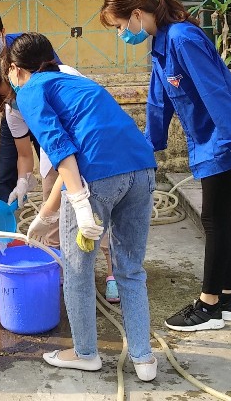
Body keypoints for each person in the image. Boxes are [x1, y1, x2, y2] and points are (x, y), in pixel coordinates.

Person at [100, 0, 231, 332]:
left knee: (213, 219)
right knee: (219, 218)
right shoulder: (162, 45)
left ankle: (208, 304)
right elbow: (158, 101)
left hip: (224, 138)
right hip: (210, 139)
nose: (121, 34)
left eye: (119, 26)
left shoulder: (182, 39)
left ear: (135, 14)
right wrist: (148, 147)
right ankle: (225, 299)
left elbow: (217, 92)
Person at [10, 32, 159, 382]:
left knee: (77, 269)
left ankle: (84, 353)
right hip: (142, 168)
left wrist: (78, 203)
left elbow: (61, 149)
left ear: (16, 69)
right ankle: (144, 358)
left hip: (98, 178)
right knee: (131, 268)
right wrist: (47, 216)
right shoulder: (77, 82)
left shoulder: (30, 90)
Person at [0, 55, 121, 303]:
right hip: (54, 150)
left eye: (12, 95)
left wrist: (75, 196)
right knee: (53, 217)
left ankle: (112, 275)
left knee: (95, 213)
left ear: (16, 74)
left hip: (88, 145)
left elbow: (84, 120)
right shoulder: (13, 109)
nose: (13, 102)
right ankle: (60, 271)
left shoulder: (60, 76)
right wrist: (23, 181)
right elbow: (25, 154)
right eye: (7, 100)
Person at [0, 7, 59, 200]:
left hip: (45, 112)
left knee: (55, 165)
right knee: (6, 175)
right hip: (15, 113)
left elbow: (54, 74)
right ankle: (2, 221)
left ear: (3, 31)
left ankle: (60, 214)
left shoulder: (27, 47)